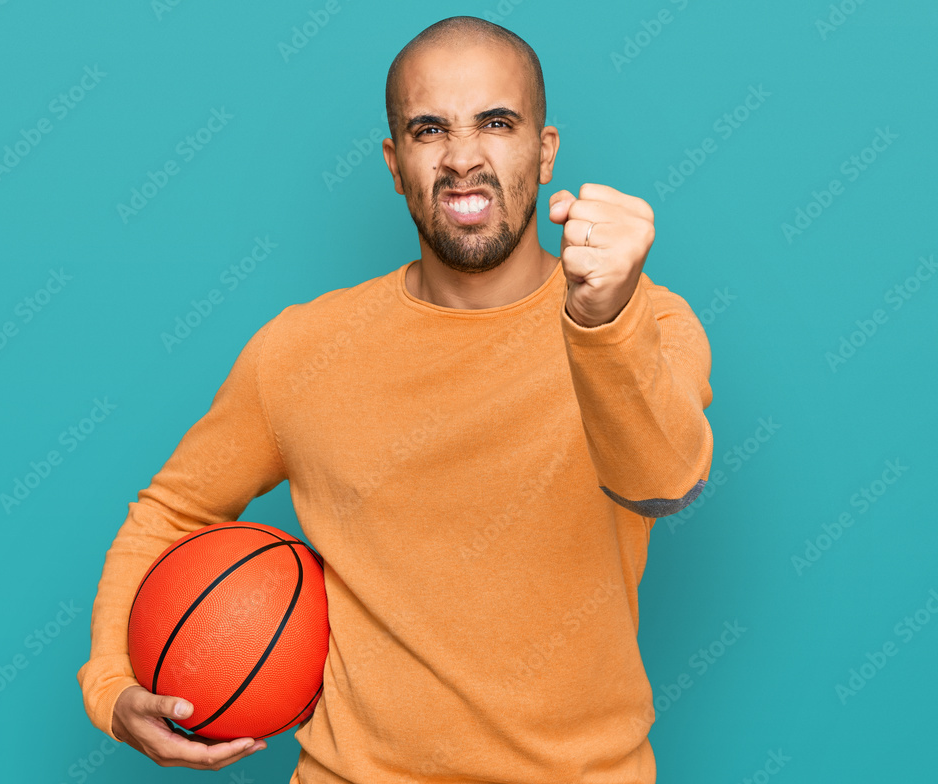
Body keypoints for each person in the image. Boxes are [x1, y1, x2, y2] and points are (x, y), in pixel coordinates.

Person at [76, 14, 713, 784]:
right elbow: (169, 513)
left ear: (546, 153)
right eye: (429, 130)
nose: (463, 158)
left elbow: (662, 485)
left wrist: (602, 320)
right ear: (394, 161)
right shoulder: (300, 349)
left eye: (498, 123)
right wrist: (110, 683)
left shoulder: (648, 321)